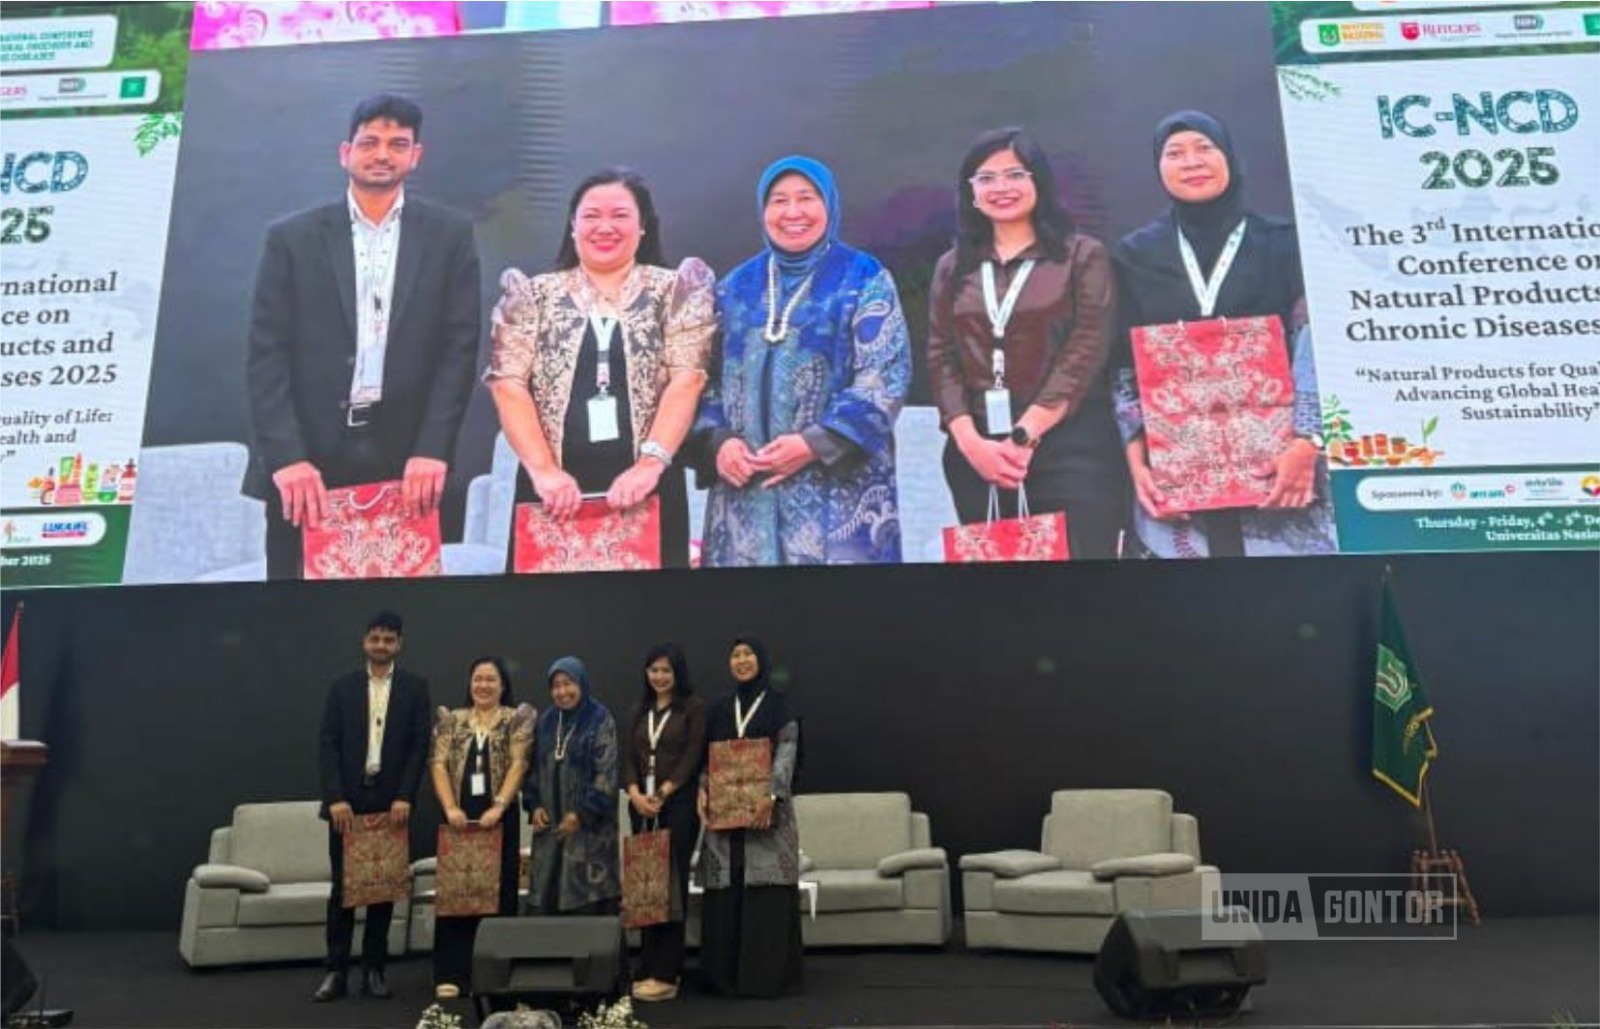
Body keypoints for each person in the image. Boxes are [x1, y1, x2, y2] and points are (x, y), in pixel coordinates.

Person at [245, 93, 482, 580]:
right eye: (369, 142)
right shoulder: (293, 238)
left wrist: (434, 448)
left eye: (398, 144)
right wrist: (287, 458)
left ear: (415, 156)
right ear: (344, 153)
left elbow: (458, 350)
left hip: (407, 455)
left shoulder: (448, 235)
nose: (382, 154)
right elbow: (266, 354)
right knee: (297, 605)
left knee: (403, 608)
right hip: (308, 458)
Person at [1110, 110, 1338, 558]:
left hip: (1281, 468)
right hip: (1177, 472)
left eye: (1204, 148)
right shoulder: (1136, 254)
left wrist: (1307, 443)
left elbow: (1317, 340)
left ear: (1230, 157)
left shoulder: (1283, 241)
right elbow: (1123, 363)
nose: (1191, 162)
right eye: (1174, 153)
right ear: (1159, 168)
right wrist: (1136, 462)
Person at [485, 169, 716, 568]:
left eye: (620, 215)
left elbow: (687, 380)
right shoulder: (533, 295)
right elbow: (508, 384)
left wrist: (649, 466)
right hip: (551, 494)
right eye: (591, 216)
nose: (604, 227)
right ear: (572, 226)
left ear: (643, 226)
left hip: (650, 490)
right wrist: (544, 473)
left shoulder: (676, 291)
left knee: (647, 621)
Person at [696, 156, 911, 566]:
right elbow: (702, 380)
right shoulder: (735, 287)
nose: (792, 213)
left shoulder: (863, 277)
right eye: (778, 201)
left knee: (836, 625)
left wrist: (813, 444)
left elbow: (885, 375)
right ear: (763, 211)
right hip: (744, 499)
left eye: (806, 198)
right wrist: (719, 443)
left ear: (829, 205)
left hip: (841, 502)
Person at [926, 127, 1127, 559]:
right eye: (986, 178)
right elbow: (940, 355)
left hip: (1071, 450)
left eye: (1015, 174)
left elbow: (1086, 347)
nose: (1001, 187)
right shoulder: (952, 266)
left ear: (1039, 180)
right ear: (971, 192)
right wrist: (969, 441)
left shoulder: (1081, 255)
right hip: (978, 456)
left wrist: (1025, 434)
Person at [313, 610, 432, 1002]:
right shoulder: (341, 686)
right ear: (365, 641)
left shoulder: (415, 688)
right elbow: (328, 744)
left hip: (390, 801)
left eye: (389, 639)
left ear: (399, 644)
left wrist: (405, 796)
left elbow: (419, 747)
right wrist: (335, 799)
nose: (381, 645)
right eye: (375, 638)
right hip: (347, 801)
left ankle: (375, 971)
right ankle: (335, 971)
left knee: (382, 890)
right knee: (343, 891)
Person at [697, 637, 803, 998]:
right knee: (726, 892)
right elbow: (706, 757)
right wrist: (702, 788)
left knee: (765, 892)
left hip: (766, 813)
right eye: (735, 655)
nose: (742, 661)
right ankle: (723, 978)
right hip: (724, 819)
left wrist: (771, 795)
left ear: (762, 660)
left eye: (748, 654)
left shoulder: (779, 705)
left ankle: (766, 978)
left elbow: (788, 749)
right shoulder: (719, 708)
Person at [427, 657, 533, 1000]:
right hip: (458, 817)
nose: (483, 685)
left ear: (503, 685)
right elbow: (438, 764)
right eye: (478, 679)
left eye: (491, 679)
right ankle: (451, 973)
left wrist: (500, 805)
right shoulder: (451, 720)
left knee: (499, 892)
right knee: (456, 893)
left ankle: (494, 972)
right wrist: (450, 807)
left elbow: (520, 763)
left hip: (499, 817)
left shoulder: (515, 719)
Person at [622, 644, 705, 1003]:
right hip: (641, 807)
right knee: (645, 888)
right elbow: (627, 756)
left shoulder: (692, 708)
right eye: (653, 669)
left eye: (666, 671)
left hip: (677, 807)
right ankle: (647, 965)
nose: (659, 676)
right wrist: (634, 793)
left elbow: (693, 754)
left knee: (670, 888)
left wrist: (666, 792)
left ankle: (668, 972)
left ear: (678, 674)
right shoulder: (639, 709)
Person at [523, 657, 621, 915]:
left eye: (569, 683)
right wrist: (534, 806)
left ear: (582, 683)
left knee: (586, 913)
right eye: (556, 685)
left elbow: (606, 776)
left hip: (589, 835)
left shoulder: (600, 719)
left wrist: (580, 815)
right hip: (550, 834)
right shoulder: (545, 721)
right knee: (545, 906)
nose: (562, 691)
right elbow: (532, 770)